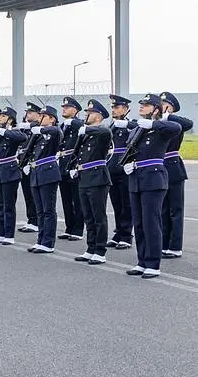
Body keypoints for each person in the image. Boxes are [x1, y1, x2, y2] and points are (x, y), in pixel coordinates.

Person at [123, 94, 180, 279]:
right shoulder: (137, 130)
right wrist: (128, 163)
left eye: (146, 105)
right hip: (136, 178)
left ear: (156, 109)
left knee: (151, 222)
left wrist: (155, 123)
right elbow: (130, 151)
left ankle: (153, 264)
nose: (141, 107)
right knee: (139, 223)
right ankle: (142, 261)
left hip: (154, 179)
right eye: (141, 104)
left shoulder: (161, 129)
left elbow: (177, 127)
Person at [68, 100, 113, 264]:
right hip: (84, 177)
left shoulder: (102, 131)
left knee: (98, 216)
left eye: (90, 113)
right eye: (86, 112)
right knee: (88, 216)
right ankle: (91, 248)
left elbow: (105, 134)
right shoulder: (86, 134)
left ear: (99, 116)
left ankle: (100, 251)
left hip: (98, 178)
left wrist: (87, 129)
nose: (86, 115)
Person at [20, 105, 63, 253]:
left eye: (43, 116)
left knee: (48, 209)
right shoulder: (37, 134)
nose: (40, 118)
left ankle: (48, 242)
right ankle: (40, 240)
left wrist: (41, 129)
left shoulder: (53, 132)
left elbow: (55, 130)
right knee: (40, 210)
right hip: (36, 172)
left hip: (48, 173)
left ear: (52, 119)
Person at [0, 107, 27, 245]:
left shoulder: (13, 132)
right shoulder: (0, 134)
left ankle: (9, 235)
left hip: (10, 172)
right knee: (1, 204)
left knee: (8, 205)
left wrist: (2, 130)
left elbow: (22, 137)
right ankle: (1, 233)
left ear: (10, 119)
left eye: (3, 117)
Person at [159, 91, 193, 259]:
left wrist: (168, 116)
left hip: (173, 168)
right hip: (159, 168)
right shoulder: (157, 123)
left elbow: (189, 123)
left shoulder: (175, 122)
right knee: (163, 210)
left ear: (171, 107)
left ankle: (175, 246)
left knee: (175, 210)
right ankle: (165, 244)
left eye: (165, 104)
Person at [106, 95, 134, 250]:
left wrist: (127, 124)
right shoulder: (112, 126)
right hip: (112, 169)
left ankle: (126, 235)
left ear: (125, 109)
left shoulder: (131, 124)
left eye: (116, 107)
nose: (113, 110)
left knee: (126, 204)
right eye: (113, 108)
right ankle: (118, 232)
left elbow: (137, 129)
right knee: (116, 204)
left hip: (125, 170)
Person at [57, 97, 85, 241]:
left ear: (75, 110)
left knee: (77, 199)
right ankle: (69, 227)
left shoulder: (77, 124)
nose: (64, 109)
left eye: (67, 107)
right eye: (63, 107)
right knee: (66, 199)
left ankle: (78, 230)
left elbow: (82, 128)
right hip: (62, 165)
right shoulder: (63, 126)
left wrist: (73, 121)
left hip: (73, 164)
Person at [17, 102, 43, 234]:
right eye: (27, 112)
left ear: (39, 115)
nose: (27, 114)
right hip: (23, 164)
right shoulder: (25, 128)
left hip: (33, 164)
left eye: (30, 112)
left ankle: (37, 221)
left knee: (34, 195)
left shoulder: (38, 127)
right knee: (27, 194)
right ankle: (31, 219)